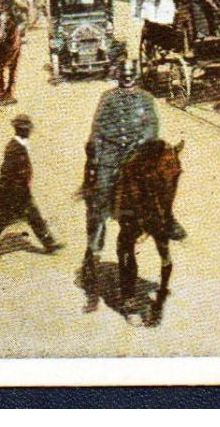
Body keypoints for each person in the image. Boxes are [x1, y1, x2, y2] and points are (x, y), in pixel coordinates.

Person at [81, 62, 183, 284]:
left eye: (130, 76)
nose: (127, 80)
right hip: (113, 152)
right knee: (101, 194)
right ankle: (95, 245)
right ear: (119, 77)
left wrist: (142, 142)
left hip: (137, 151)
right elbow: (98, 125)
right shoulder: (108, 97)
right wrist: (98, 152)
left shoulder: (146, 98)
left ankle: (168, 218)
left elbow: (152, 125)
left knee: (163, 180)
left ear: (135, 77)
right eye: (124, 76)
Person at [0, 115, 63, 259]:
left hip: (19, 192)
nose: (30, 131)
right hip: (11, 193)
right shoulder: (13, 148)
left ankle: (50, 244)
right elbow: (7, 172)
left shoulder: (20, 145)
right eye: (27, 129)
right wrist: (13, 193)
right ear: (21, 130)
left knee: (34, 217)